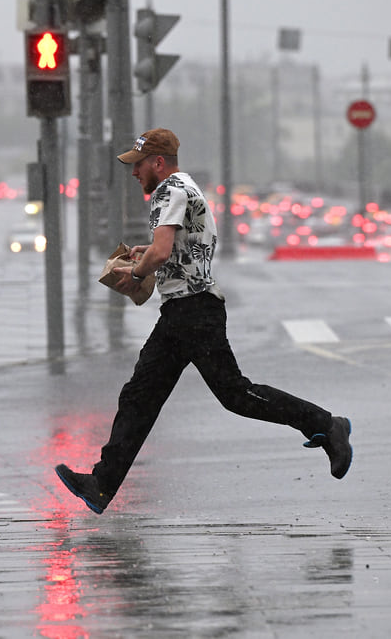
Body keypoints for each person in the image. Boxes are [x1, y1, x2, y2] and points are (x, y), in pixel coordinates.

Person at [55, 128, 353, 515]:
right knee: (139, 397)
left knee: (235, 394)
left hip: (193, 311)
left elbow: (161, 253)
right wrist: (151, 255)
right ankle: (101, 484)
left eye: (138, 164)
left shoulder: (168, 191)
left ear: (157, 163)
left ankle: (328, 425)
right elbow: (178, 248)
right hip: (184, 310)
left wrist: (138, 272)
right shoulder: (186, 186)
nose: (134, 173)